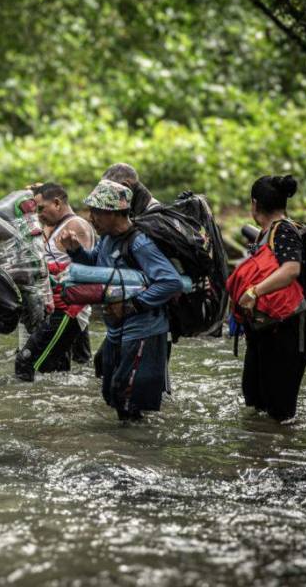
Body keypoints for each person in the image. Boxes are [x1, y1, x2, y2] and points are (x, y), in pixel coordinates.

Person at [58, 180, 183, 420]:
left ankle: (138, 452)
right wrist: (75, 250)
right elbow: (96, 264)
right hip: (116, 330)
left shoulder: (140, 243)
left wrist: (131, 306)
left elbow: (171, 282)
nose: (91, 218)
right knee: (111, 393)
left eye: (96, 212)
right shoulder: (106, 239)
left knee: (127, 397)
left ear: (115, 213)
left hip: (143, 331)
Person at [234, 175, 306, 422]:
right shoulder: (266, 233)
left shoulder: (282, 230)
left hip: (290, 333)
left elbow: (291, 269)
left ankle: (282, 455)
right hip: (269, 329)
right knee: (256, 398)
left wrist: (254, 292)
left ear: (254, 204)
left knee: (280, 411)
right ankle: (265, 450)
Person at [15, 183, 95, 381]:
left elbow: (88, 269)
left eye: (41, 209)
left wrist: (50, 274)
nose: (39, 214)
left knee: (26, 364)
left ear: (57, 203)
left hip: (68, 310)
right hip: (54, 307)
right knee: (56, 373)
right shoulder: (54, 225)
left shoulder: (76, 225)